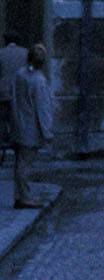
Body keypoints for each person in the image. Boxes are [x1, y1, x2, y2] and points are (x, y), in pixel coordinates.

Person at [10, 44, 52, 209]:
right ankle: (24, 197)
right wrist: (47, 132)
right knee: (25, 164)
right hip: (30, 128)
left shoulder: (19, 74)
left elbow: (13, 96)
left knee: (19, 162)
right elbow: (43, 108)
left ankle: (19, 194)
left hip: (18, 124)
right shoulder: (38, 80)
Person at [0, 35, 26, 161]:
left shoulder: (1, 53)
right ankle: (18, 139)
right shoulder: (25, 53)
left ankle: (4, 139)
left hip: (4, 89)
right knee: (18, 115)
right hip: (20, 90)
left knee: (3, 117)